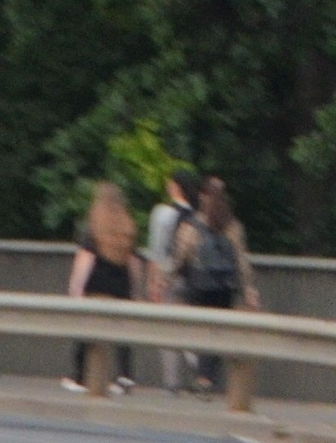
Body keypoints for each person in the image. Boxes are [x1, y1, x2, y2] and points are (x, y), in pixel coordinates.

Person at [163, 177, 259, 394]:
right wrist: (249, 290)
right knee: (218, 331)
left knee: (199, 328)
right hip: (225, 286)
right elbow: (242, 260)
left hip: (199, 284)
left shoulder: (193, 225)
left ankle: (202, 374)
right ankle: (208, 377)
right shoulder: (233, 226)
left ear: (203, 197)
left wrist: (166, 279)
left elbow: (180, 256)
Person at [62, 183, 145, 394]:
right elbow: (134, 263)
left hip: (97, 286)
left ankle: (80, 377)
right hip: (121, 286)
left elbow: (85, 260)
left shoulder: (94, 228)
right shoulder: (127, 227)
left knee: (86, 332)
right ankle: (125, 376)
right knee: (121, 333)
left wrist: (76, 290)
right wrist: (135, 291)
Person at [144, 167, 199, 393]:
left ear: (175, 187)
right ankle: (199, 369)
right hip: (195, 280)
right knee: (190, 327)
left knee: (167, 330)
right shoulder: (198, 216)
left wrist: (153, 281)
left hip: (169, 277)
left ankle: (172, 383)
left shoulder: (164, 214)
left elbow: (157, 250)